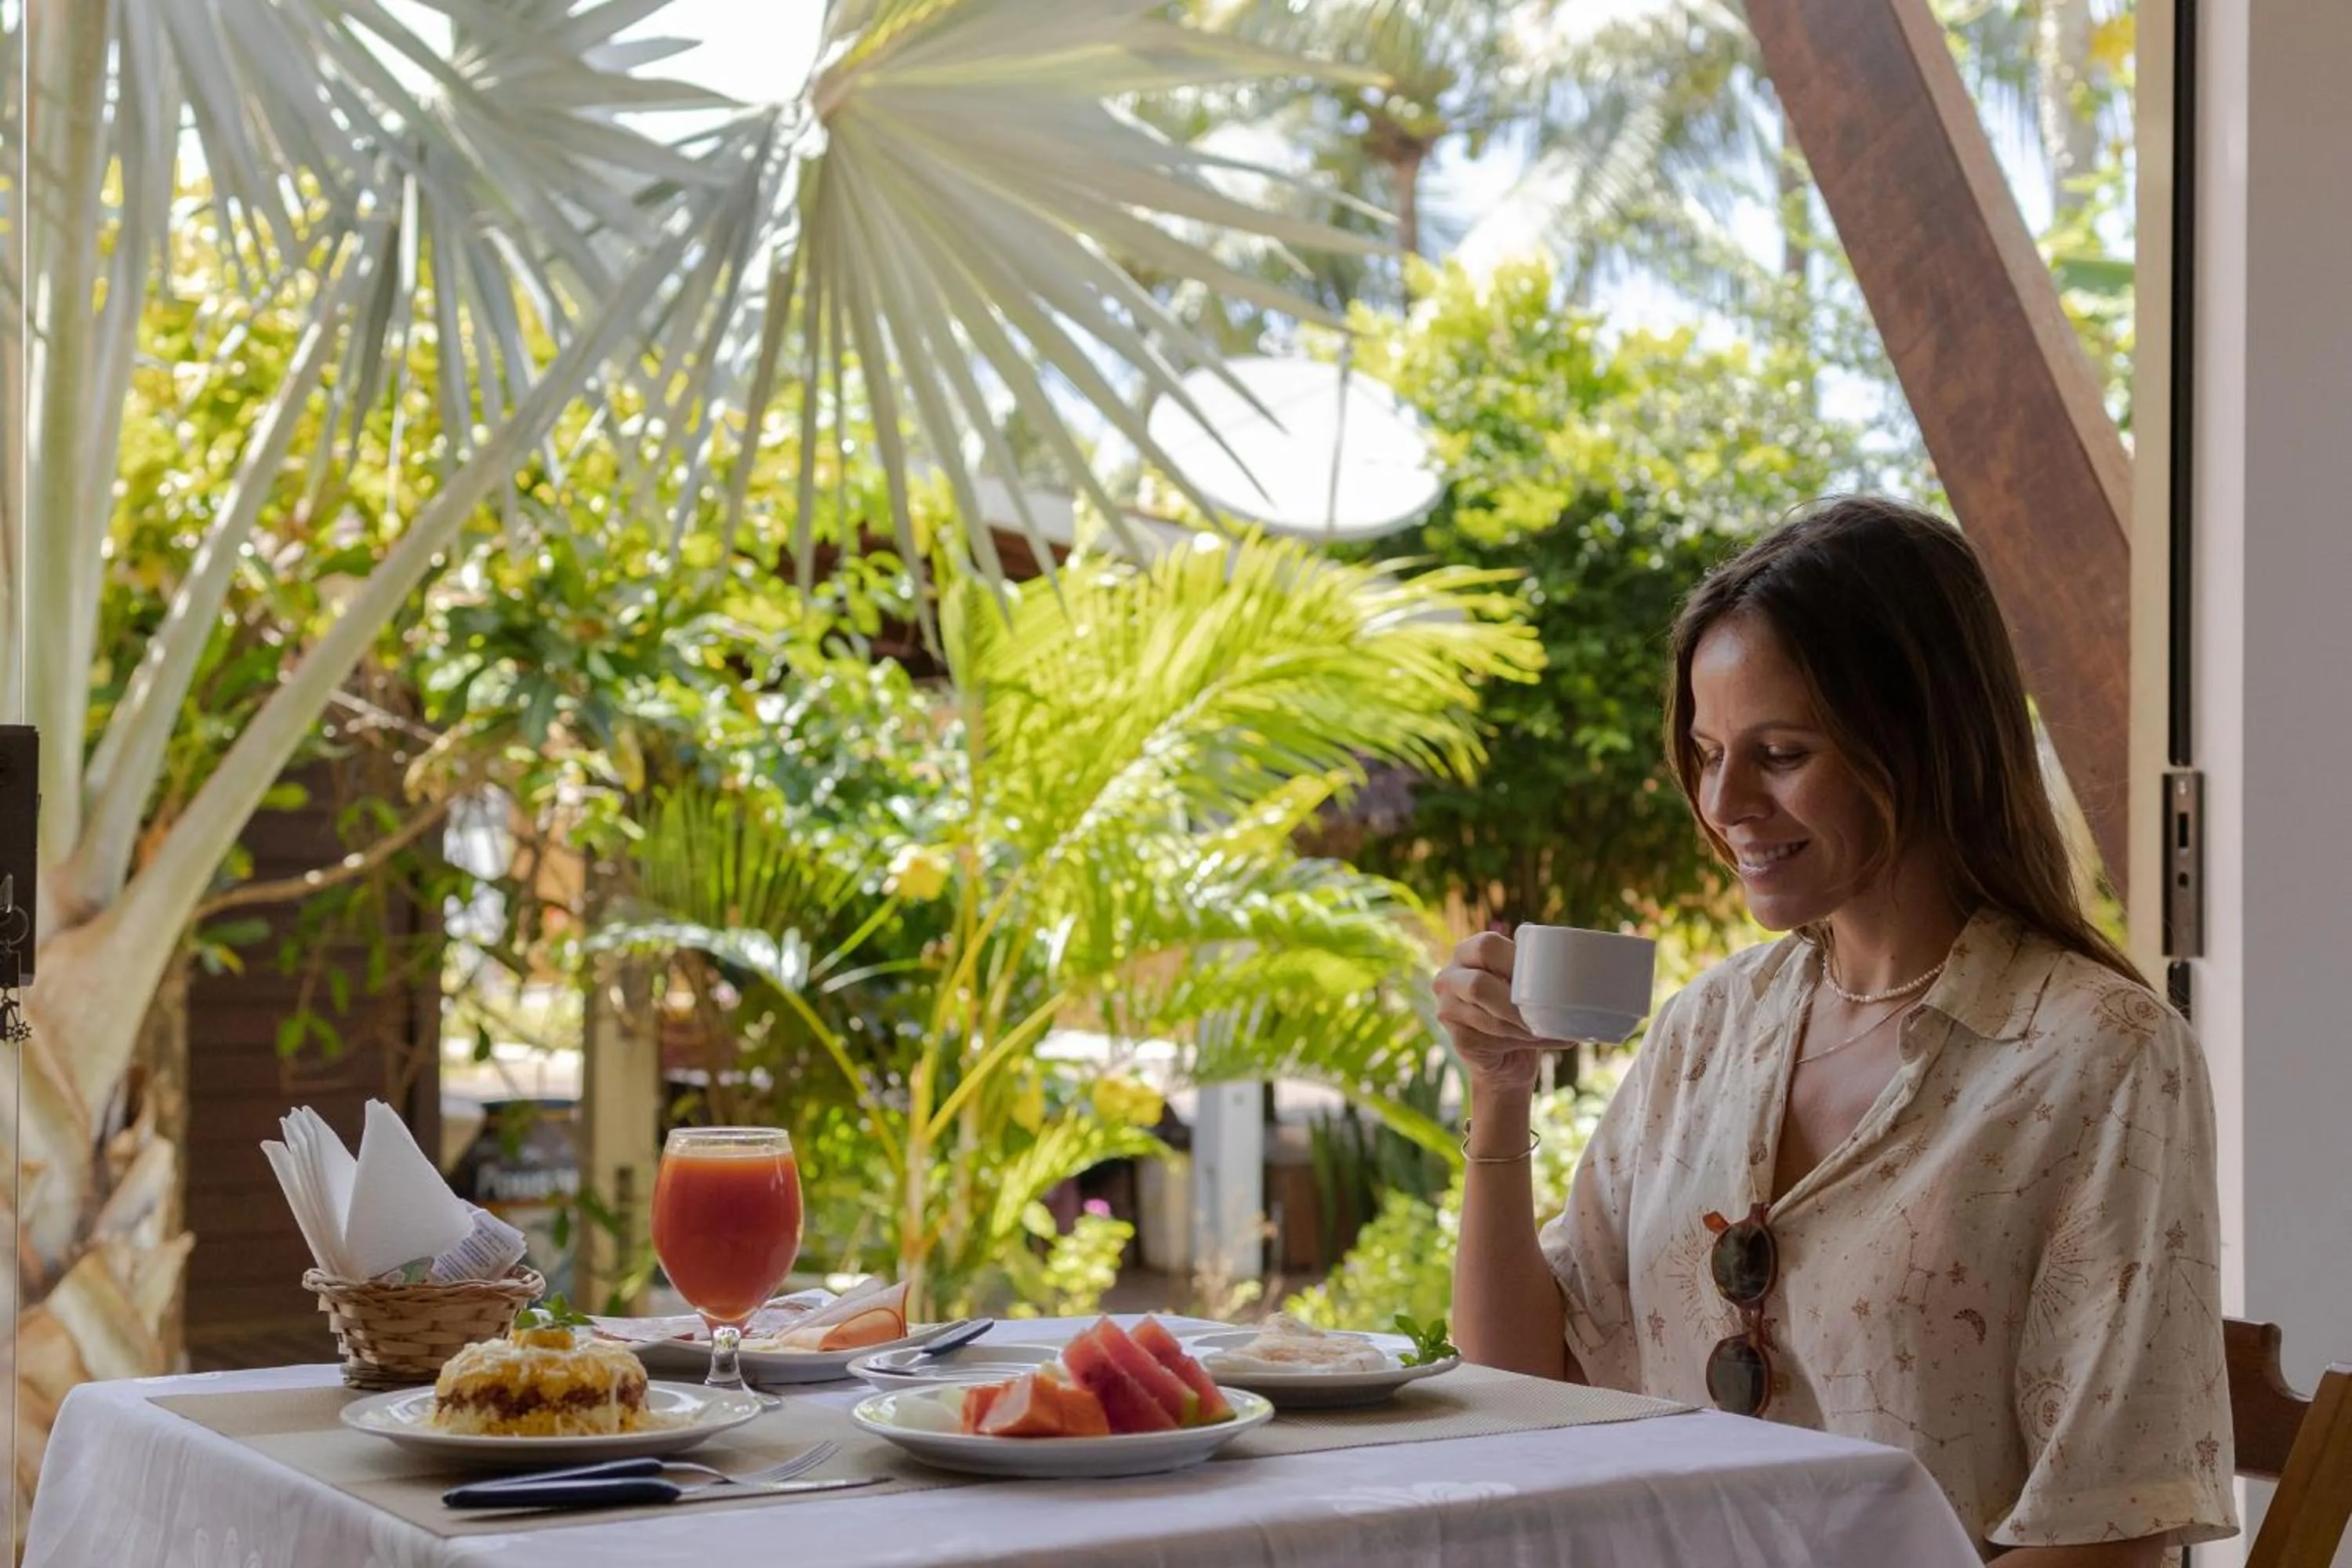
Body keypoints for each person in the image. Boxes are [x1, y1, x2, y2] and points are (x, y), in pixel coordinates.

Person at [1436, 497, 2235, 1566]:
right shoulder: (1711, 1029)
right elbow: (1520, 1383)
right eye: (1708, 750)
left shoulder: (2101, 1054)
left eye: (1779, 753)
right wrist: (1500, 1088)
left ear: (1923, 741)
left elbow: (2111, 1530)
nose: (1724, 802)